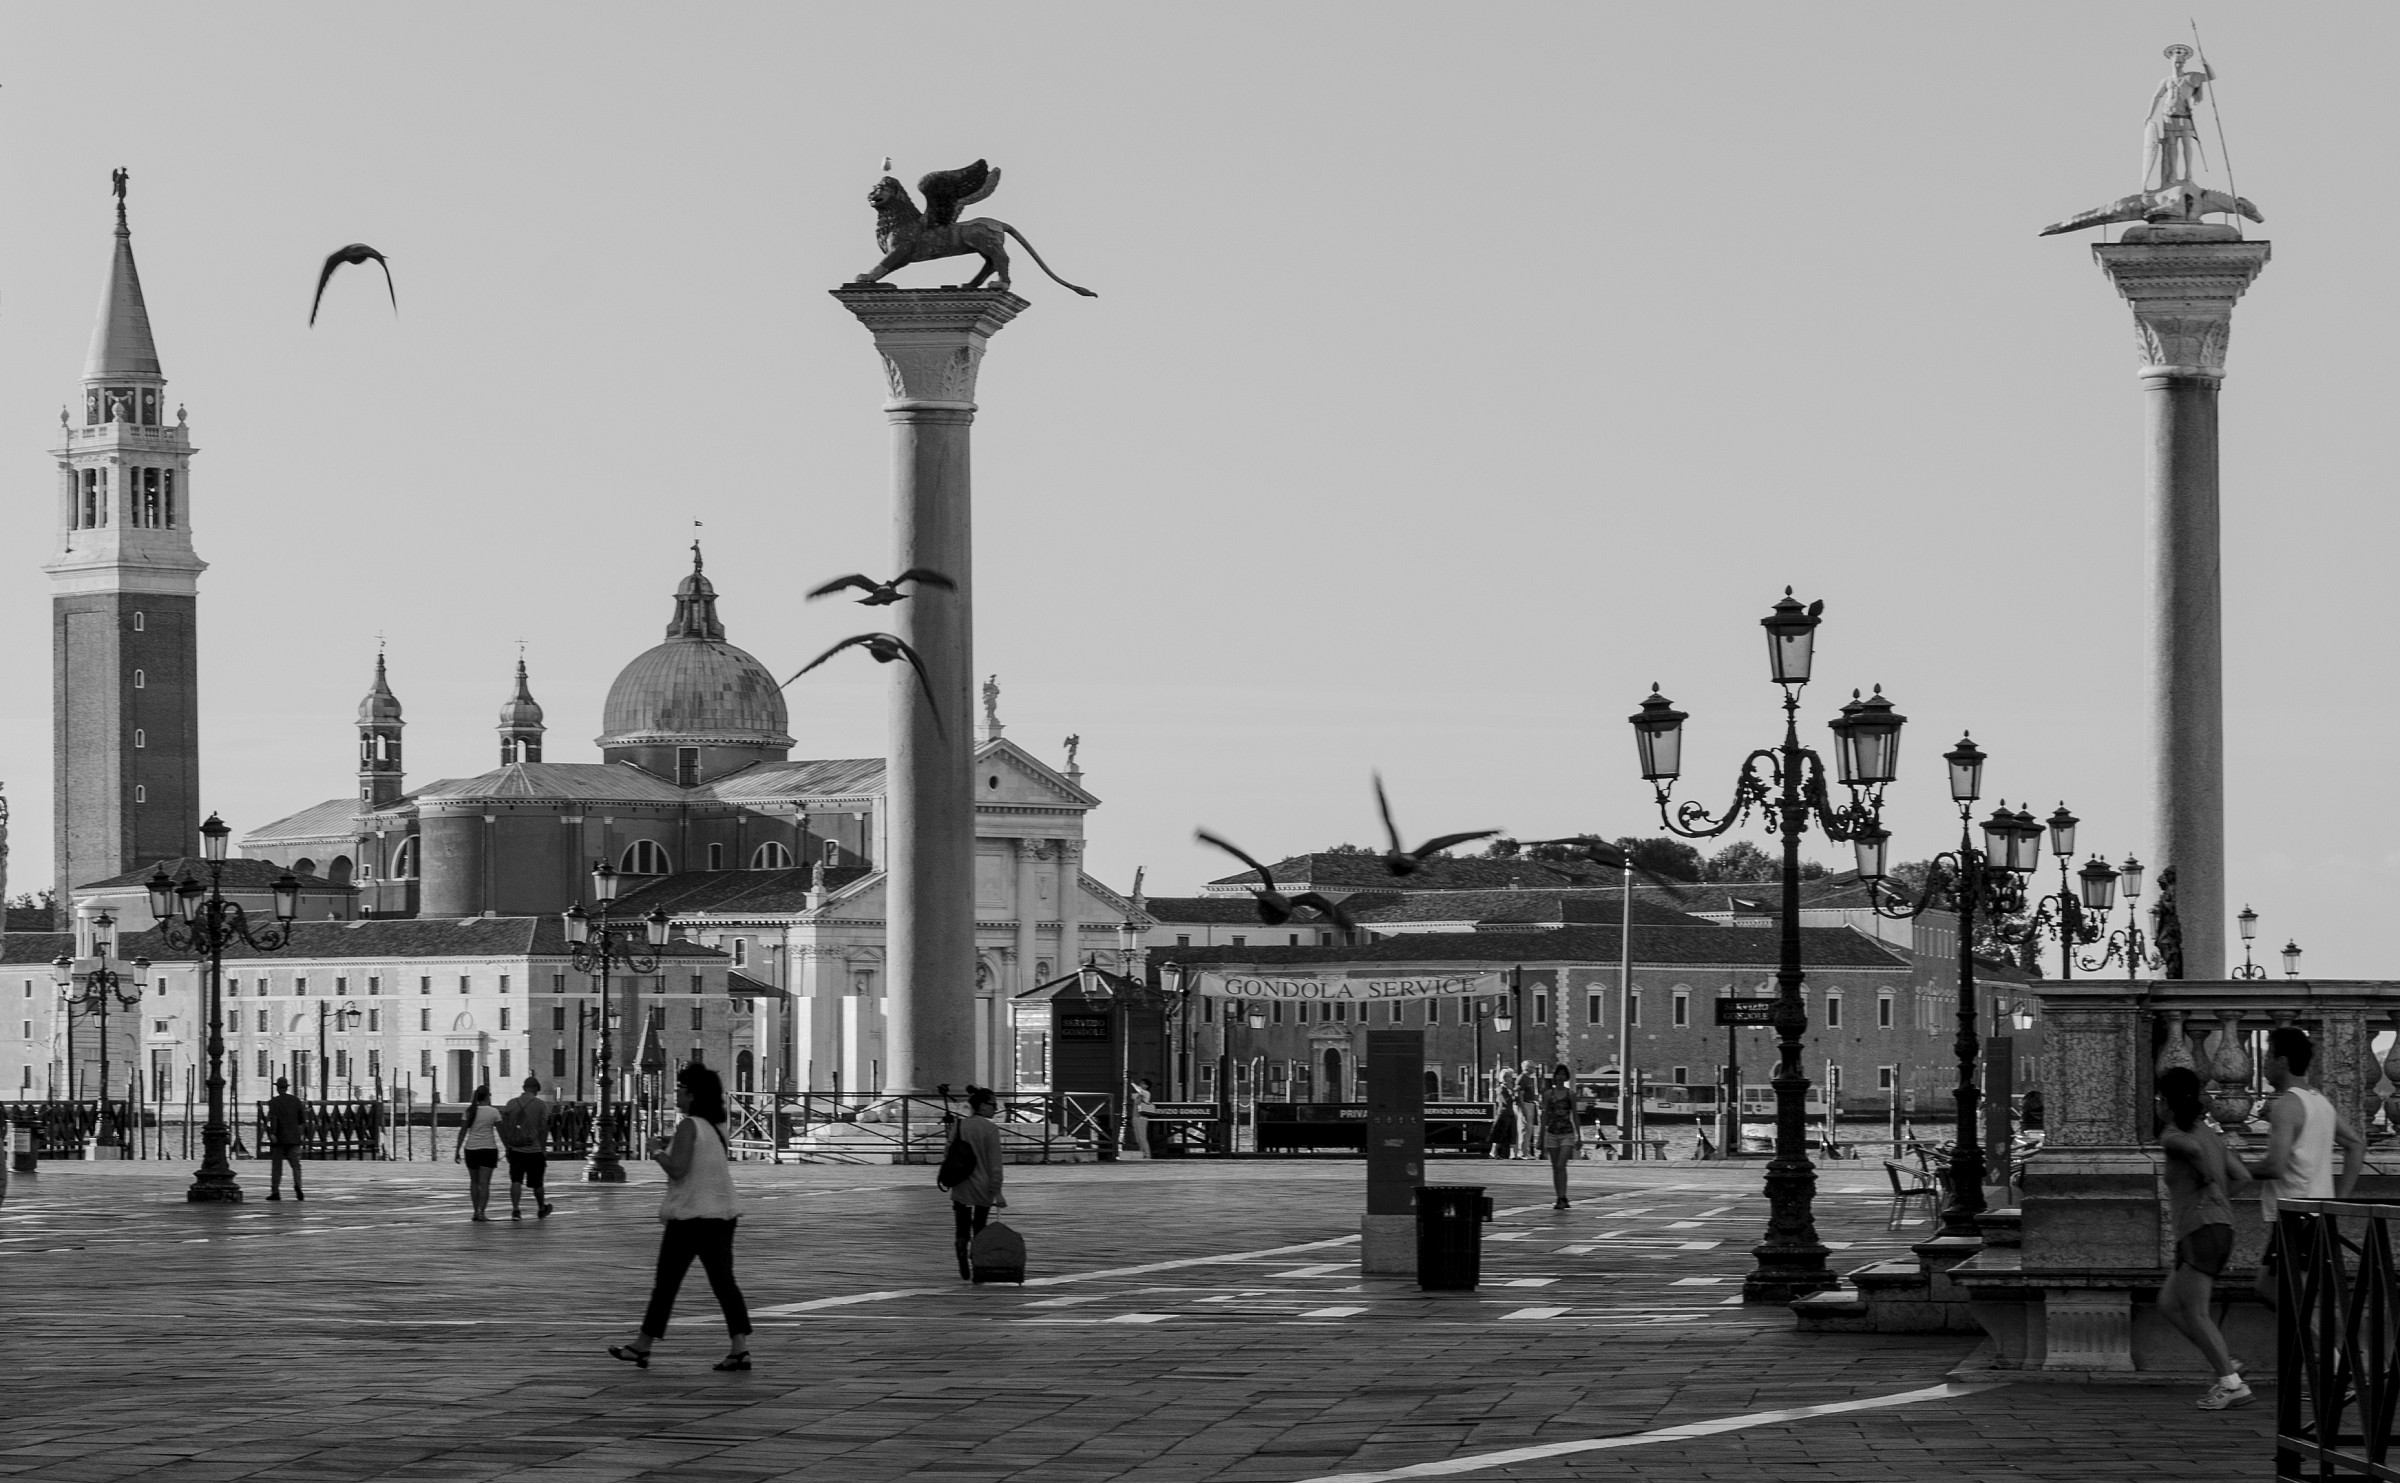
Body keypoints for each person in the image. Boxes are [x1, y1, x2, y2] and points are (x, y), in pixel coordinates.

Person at [610, 1064, 752, 1371]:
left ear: (693, 1094)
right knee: (724, 1283)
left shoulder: (689, 1125)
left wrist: (655, 1151)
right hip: (722, 1215)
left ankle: (642, 1346)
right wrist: (670, 1145)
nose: (677, 1093)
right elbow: (698, 1158)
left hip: (691, 1218)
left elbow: (678, 1169)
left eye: (681, 1088)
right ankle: (739, 1347)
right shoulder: (714, 1128)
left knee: (666, 1284)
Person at [2153, 1066, 2249, 1412]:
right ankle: (2226, 1361)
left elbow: (2182, 1146)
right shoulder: (2210, 1134)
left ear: (2166, 1101)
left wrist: (2205, 1178)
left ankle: (2231, 1383)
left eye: (2159, 1098)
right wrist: (2218, 1194)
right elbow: (2242, 1175)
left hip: (2201, 1228)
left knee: (2196, 1312)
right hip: (2216, 1226)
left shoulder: (2174, 1134)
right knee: (2168, 1303)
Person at [2250, 1026, 2365, 1312]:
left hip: (2297, 1216)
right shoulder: (2318, 1101)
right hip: (2312, 1213)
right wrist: (2339, 1200)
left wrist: (2232, 1169)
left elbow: (2274, 1166)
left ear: (2283, 1061)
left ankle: (2334, 1354)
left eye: (2268, 1057)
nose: (2264, 1064)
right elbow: (2356, 1145)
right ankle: (2319, 1352)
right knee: (2275, 1290)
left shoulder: (2287, 1106)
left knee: (2295, 1299)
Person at [942, 1085, 1006, 1280]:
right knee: (980, 1226)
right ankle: (977, 1263)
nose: (995, 1109)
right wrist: (997, 1192)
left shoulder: (960, 1125)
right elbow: (995, 1164)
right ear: (981, 1105)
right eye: (992, 1105)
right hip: (983, 1187)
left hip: (961, 1185)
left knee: (961, 1226)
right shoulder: (990, 1129)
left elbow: (948, 1152)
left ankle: (961, 1249)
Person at [501, 1075, 555, 1220]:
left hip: (515, 1149)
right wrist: (543, 1150)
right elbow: (544, 1129)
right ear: (536, 1089)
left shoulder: (511, 1103)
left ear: (524, 1088)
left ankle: (516, 1210)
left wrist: (507, 1145)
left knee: (516, 1181)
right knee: (538, 1183)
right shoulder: (540, 1105)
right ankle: (541, 1208)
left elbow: (504, 1127)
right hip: (534, 1150)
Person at [453, 1084, 503, 1221]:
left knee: (474, 1182)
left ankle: (476, 1211)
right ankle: (481, 1212)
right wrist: (508, 1147)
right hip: (489, 1149)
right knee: (485, 1182)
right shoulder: (494, 1112)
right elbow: (501, 1132)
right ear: (487, 1096)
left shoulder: (469, 1111)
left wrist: (457, 1150)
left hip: (471, 1150)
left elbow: (462, 1132)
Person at [1537, 1065, 1582, 1209]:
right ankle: (1560, 1197)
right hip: (1552, 1133)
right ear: (1555, 1077)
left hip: (1567, 1133)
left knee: (1561, 1165)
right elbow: (1544, 1117)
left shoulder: (1571, 1095)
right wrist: (1540, 1137)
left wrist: (1579, 1136)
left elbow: (1575, 1115)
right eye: (1558, 1074)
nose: (1561, 1077)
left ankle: (1563, 1196)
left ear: (1566, 1077)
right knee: (1555, 1167)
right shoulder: (1548, 1094)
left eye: (1563, 1075)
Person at [264, 1077, 307, 1201]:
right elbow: (302, 1121)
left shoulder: (273, 1102)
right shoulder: (296, 1101)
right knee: (296, 1165)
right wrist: (299, 1135)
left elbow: (272, 1119)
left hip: (279, 1139)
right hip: (293, 1138)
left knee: (277, 1167)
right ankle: (298, 1186)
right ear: (287, 1087)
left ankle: (275, 1191)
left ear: (277, 1088)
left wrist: (272, 1134)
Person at [1487, 1067, 1518, 1159]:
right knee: (1499, 1135)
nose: (1511, 1079)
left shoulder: (1509, 1089)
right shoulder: (1501, 1089)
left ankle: (1513, 1154)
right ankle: (1493, 1153)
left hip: (1510, 1114)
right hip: (1503, 1115)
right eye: (1508, 1077)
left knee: (1512, 1134)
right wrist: (1513, 1093)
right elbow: (1507, 1101)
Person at [1515, 1062, 1542, 1159]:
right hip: (1525, 1104)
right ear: (1527, 1068)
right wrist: (1524, 1109)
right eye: (1532, 1067)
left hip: (1530, 1104)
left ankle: (1526, 1151)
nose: (1534, 1069)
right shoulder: (1522, 1078)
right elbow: (1519, 1095)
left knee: (1529, 1129)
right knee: (1524, 1129)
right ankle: (1523, 1153)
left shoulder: (1530, 1078)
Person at [1122, 1077, 1152, 1161]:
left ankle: (1147, 1154)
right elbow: (1130, 1096)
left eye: (1142, 1083)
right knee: (1138, 1137)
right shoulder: (1138, 1094)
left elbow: (1140, 1090)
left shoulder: (1146, 1093)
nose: (1140, 1084)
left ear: (1146, 1086)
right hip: (1135, 1116)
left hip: (1142, 1118)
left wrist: (1132, 1084)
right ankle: (1141, 1153)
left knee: (1142, 1137)